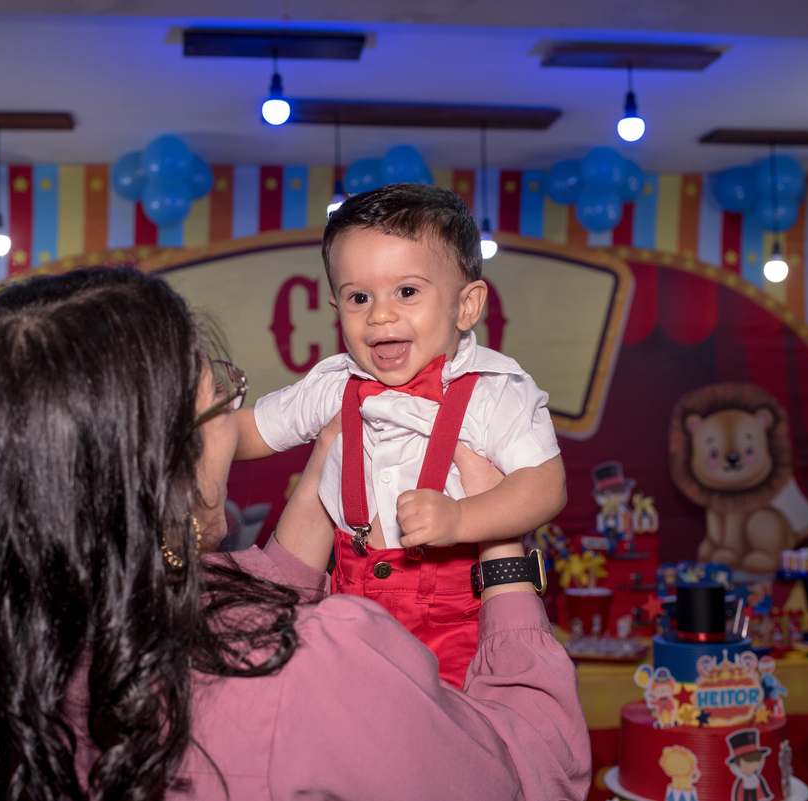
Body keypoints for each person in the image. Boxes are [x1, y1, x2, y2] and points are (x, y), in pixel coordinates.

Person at [0, 266, 590, 800]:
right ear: (166, 461)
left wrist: (327, 465)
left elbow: (246, 599)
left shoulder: (6, 653)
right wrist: (500, 542)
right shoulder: (322, 671)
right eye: (220, 394)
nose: (234, 414)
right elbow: (533, 771)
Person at [234, 183, 567, 685]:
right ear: (336, 309)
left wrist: (461, 517)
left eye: (407, 292)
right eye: (359, 297)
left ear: (466, 305)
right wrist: (175, 427)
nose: (380, 314)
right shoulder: (333, 385)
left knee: (454, 731)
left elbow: (544, 486)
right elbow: (250, 431)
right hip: (351, 625)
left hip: (456, 634)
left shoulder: (496, 392)